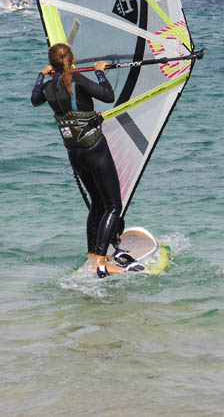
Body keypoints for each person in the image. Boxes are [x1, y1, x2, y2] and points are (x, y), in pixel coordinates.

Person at [31, 42, 141, 278]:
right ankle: (102, 262)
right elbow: (108, 95)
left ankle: (93, 256)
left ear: (53, 64)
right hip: (94, 149)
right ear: (72, 60)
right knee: (113, 205)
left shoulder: (49, 87)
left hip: (75, 153)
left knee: (97, 203)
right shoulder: (78, 82)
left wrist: (41, 74)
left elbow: (34, 98)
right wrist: (100, 72)